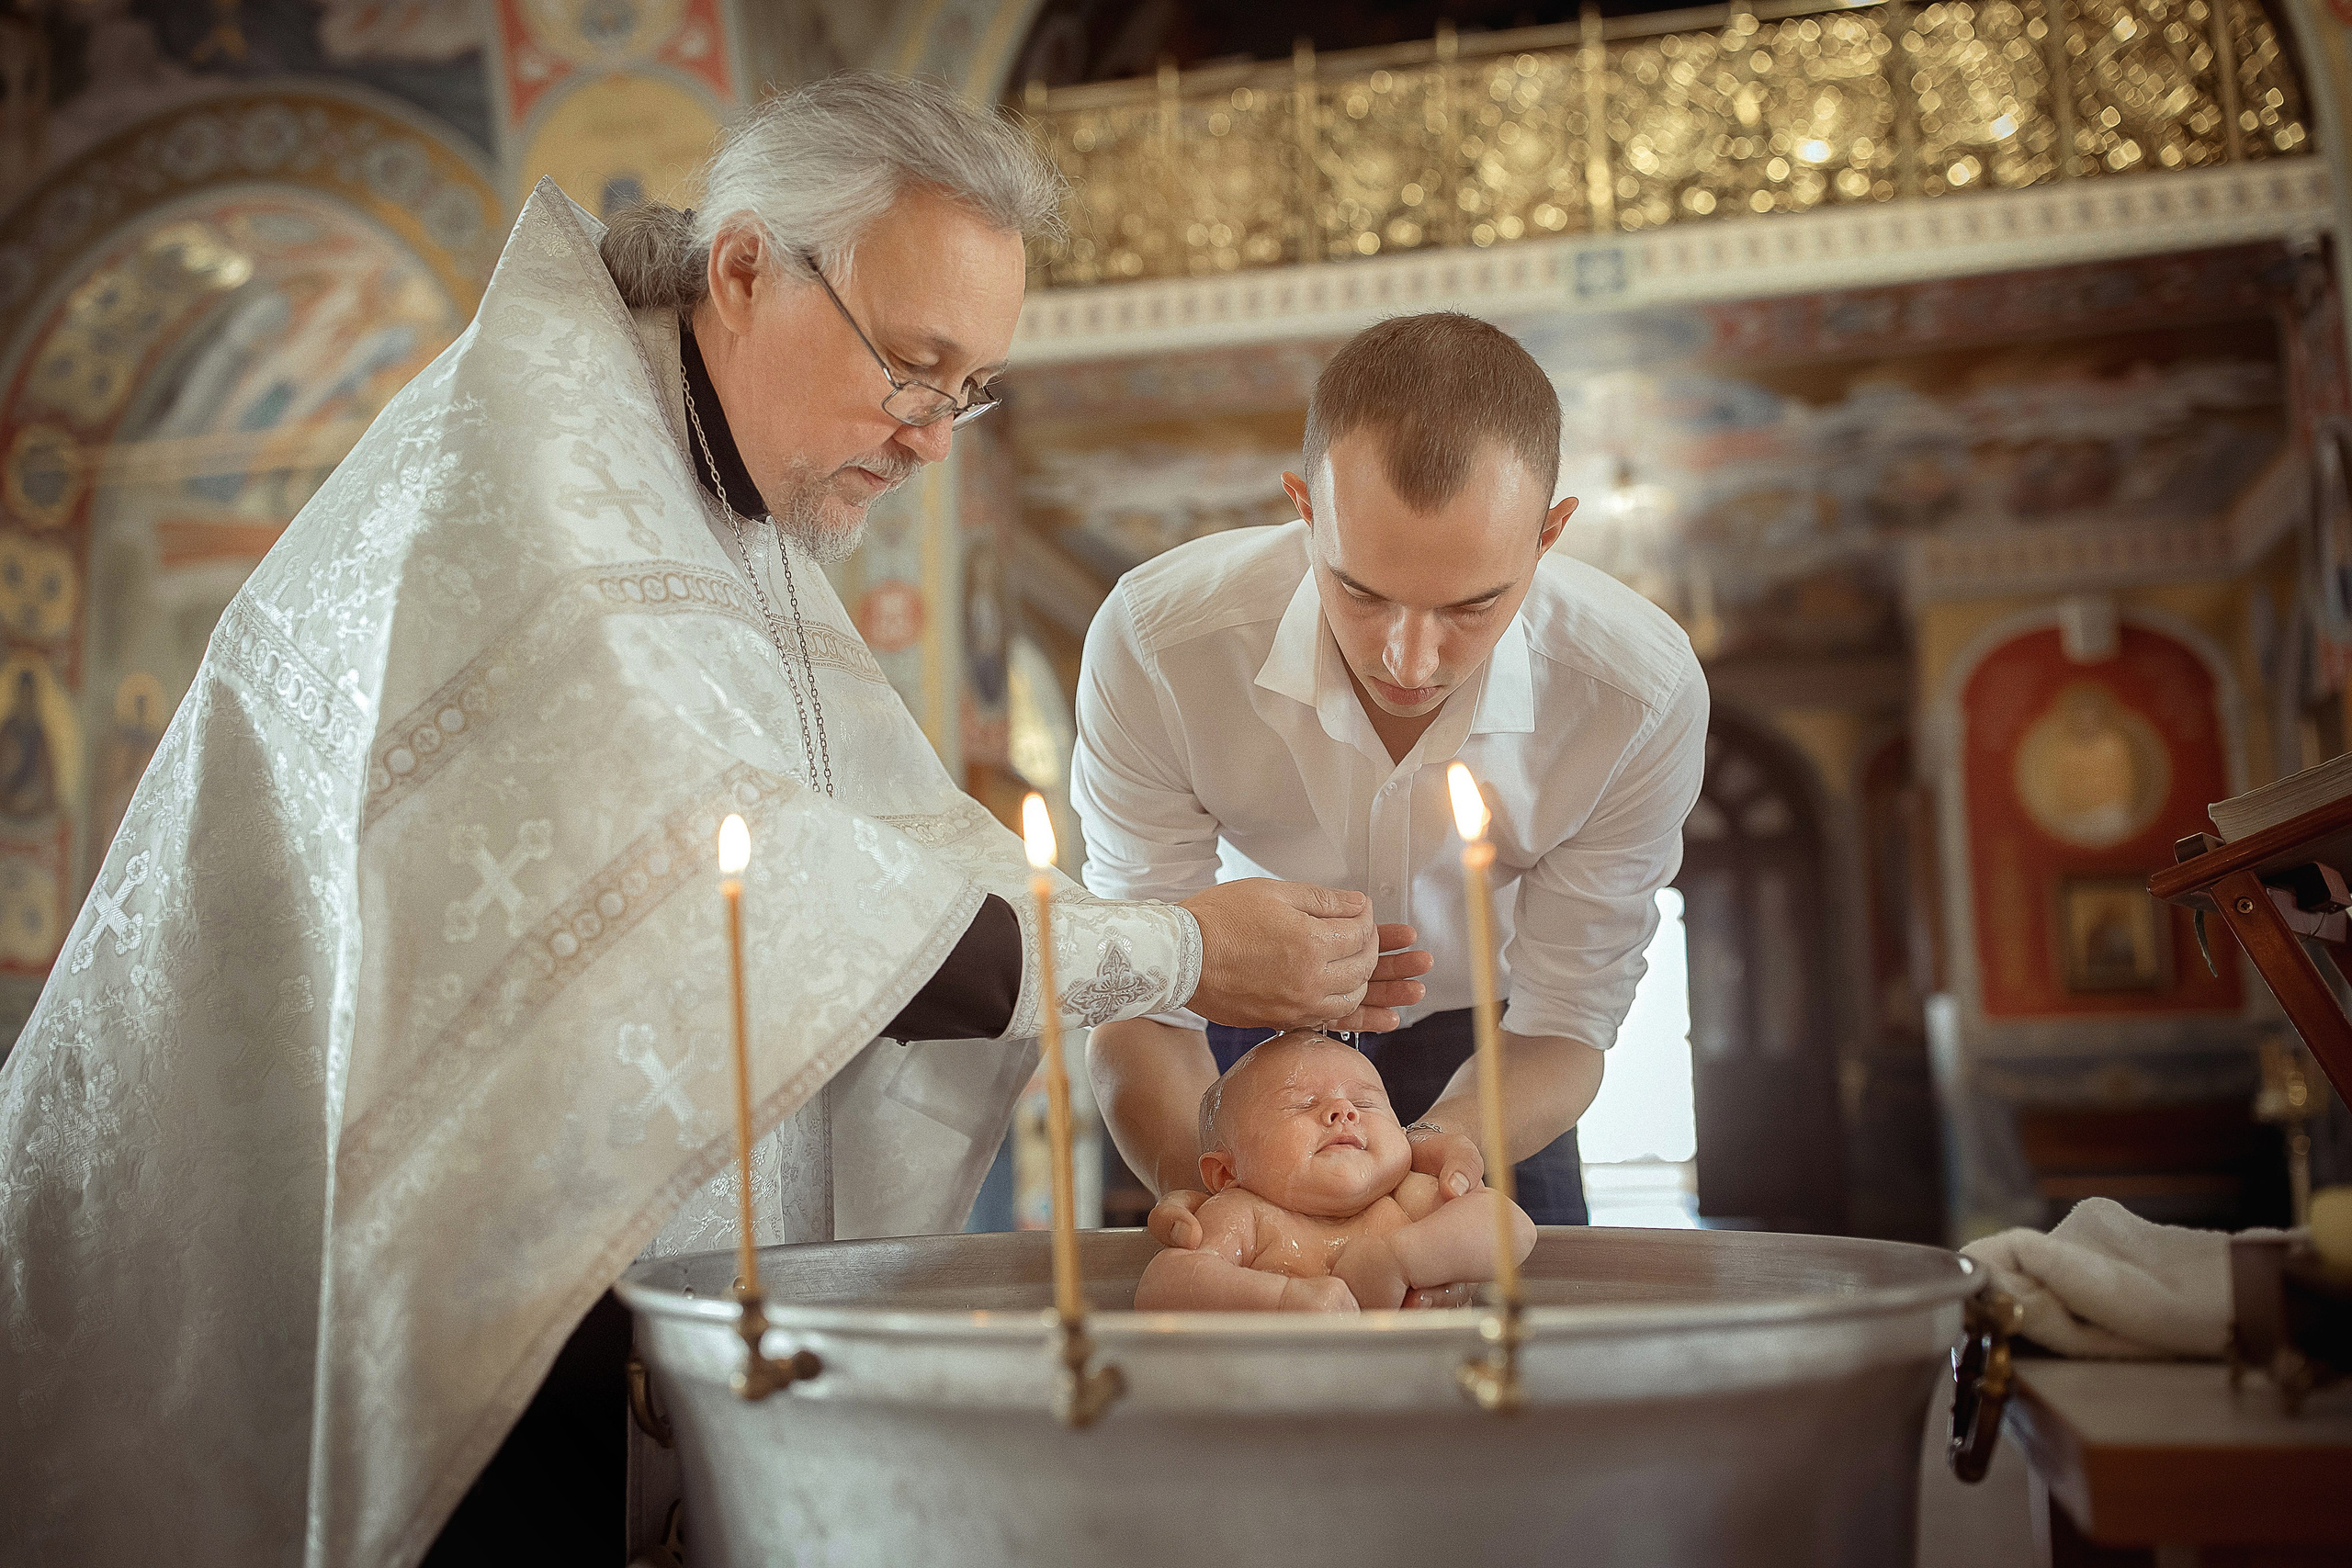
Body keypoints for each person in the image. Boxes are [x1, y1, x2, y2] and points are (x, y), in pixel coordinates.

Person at [0, 74, 1422, 1567]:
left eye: (968, 388)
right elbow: (729, 893)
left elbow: (886, 865)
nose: (934, 436)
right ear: (746, 269)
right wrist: (1174, 951)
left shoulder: (721, 488)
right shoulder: (537, 474)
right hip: (428, 1242)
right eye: (914, 365)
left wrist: (1175, 953)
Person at [1078, 311, 1709, 1266]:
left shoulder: (1638, 695)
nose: (1409, 661)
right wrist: (1201, 1188)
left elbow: (1568, 1019)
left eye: (1471, 606)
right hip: (1242, 1020)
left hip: (1498, 1055)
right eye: (1362, 591)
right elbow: (1140, 989)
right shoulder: (1159, 645)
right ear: (1304, 506)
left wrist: (1445, 1150)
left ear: (1548, 535)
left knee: (1520, 1374)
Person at [1132, 1031, 1532, 1313]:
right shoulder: (1243, 1213)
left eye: (1366, 1102)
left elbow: (1512, 1226)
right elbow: (1163, 1285)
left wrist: (1403, 1257)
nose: (1345, 1111)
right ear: (1224, 1173)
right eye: (1300, 1104)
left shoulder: (1405, 1197)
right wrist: (1284, 1301)